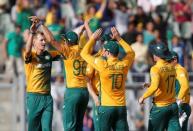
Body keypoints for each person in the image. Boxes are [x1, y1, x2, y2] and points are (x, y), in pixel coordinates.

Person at [31, 16, 89, 131]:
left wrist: (42, 24)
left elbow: (52, 40)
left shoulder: (67, 51)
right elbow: (82, 40)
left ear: (68, 43)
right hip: (84, 92)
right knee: (79, 126)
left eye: (65, 41)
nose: (63, 42)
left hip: (73, 92)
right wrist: (83, 29)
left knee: (69, 127)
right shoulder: (83, 50)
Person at [81, 27, 135, 131]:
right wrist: (119, 39)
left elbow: (84, 53)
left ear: (108, 53)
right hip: (120, 107)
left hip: (106, 107)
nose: (103, 51)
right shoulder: (124, 64)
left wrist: (92, 39)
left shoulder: (102, 64)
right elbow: (131, 53)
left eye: (105, 50)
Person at [24, 20, 61, 131]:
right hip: (34, 97)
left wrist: (42, 25)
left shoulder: (49, 55)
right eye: (41, 40)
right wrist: (32, 33)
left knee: (47, 129)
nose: (44, 42)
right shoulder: (31, 57)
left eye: (44, 40)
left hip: (47, 98)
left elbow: (57, 45)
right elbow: (27, 50)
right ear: (34, 42)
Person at [138, 43, 181, 131]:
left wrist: (143, 97)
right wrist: (151, 84)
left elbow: (155, 86)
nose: (153, 54)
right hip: (173, 106)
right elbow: (166, 82)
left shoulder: (155, 68)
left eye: (154, 53)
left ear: (157, 55)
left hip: (160, 107)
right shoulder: (172, 67)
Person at [170, 51, 191, 131]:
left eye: (169, 60)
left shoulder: (179, 70)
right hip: (182, 105)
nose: (167, 62)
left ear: (175, 60)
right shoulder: (174, 69)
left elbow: (185, 86)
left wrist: (178, 100)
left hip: (181, 106)